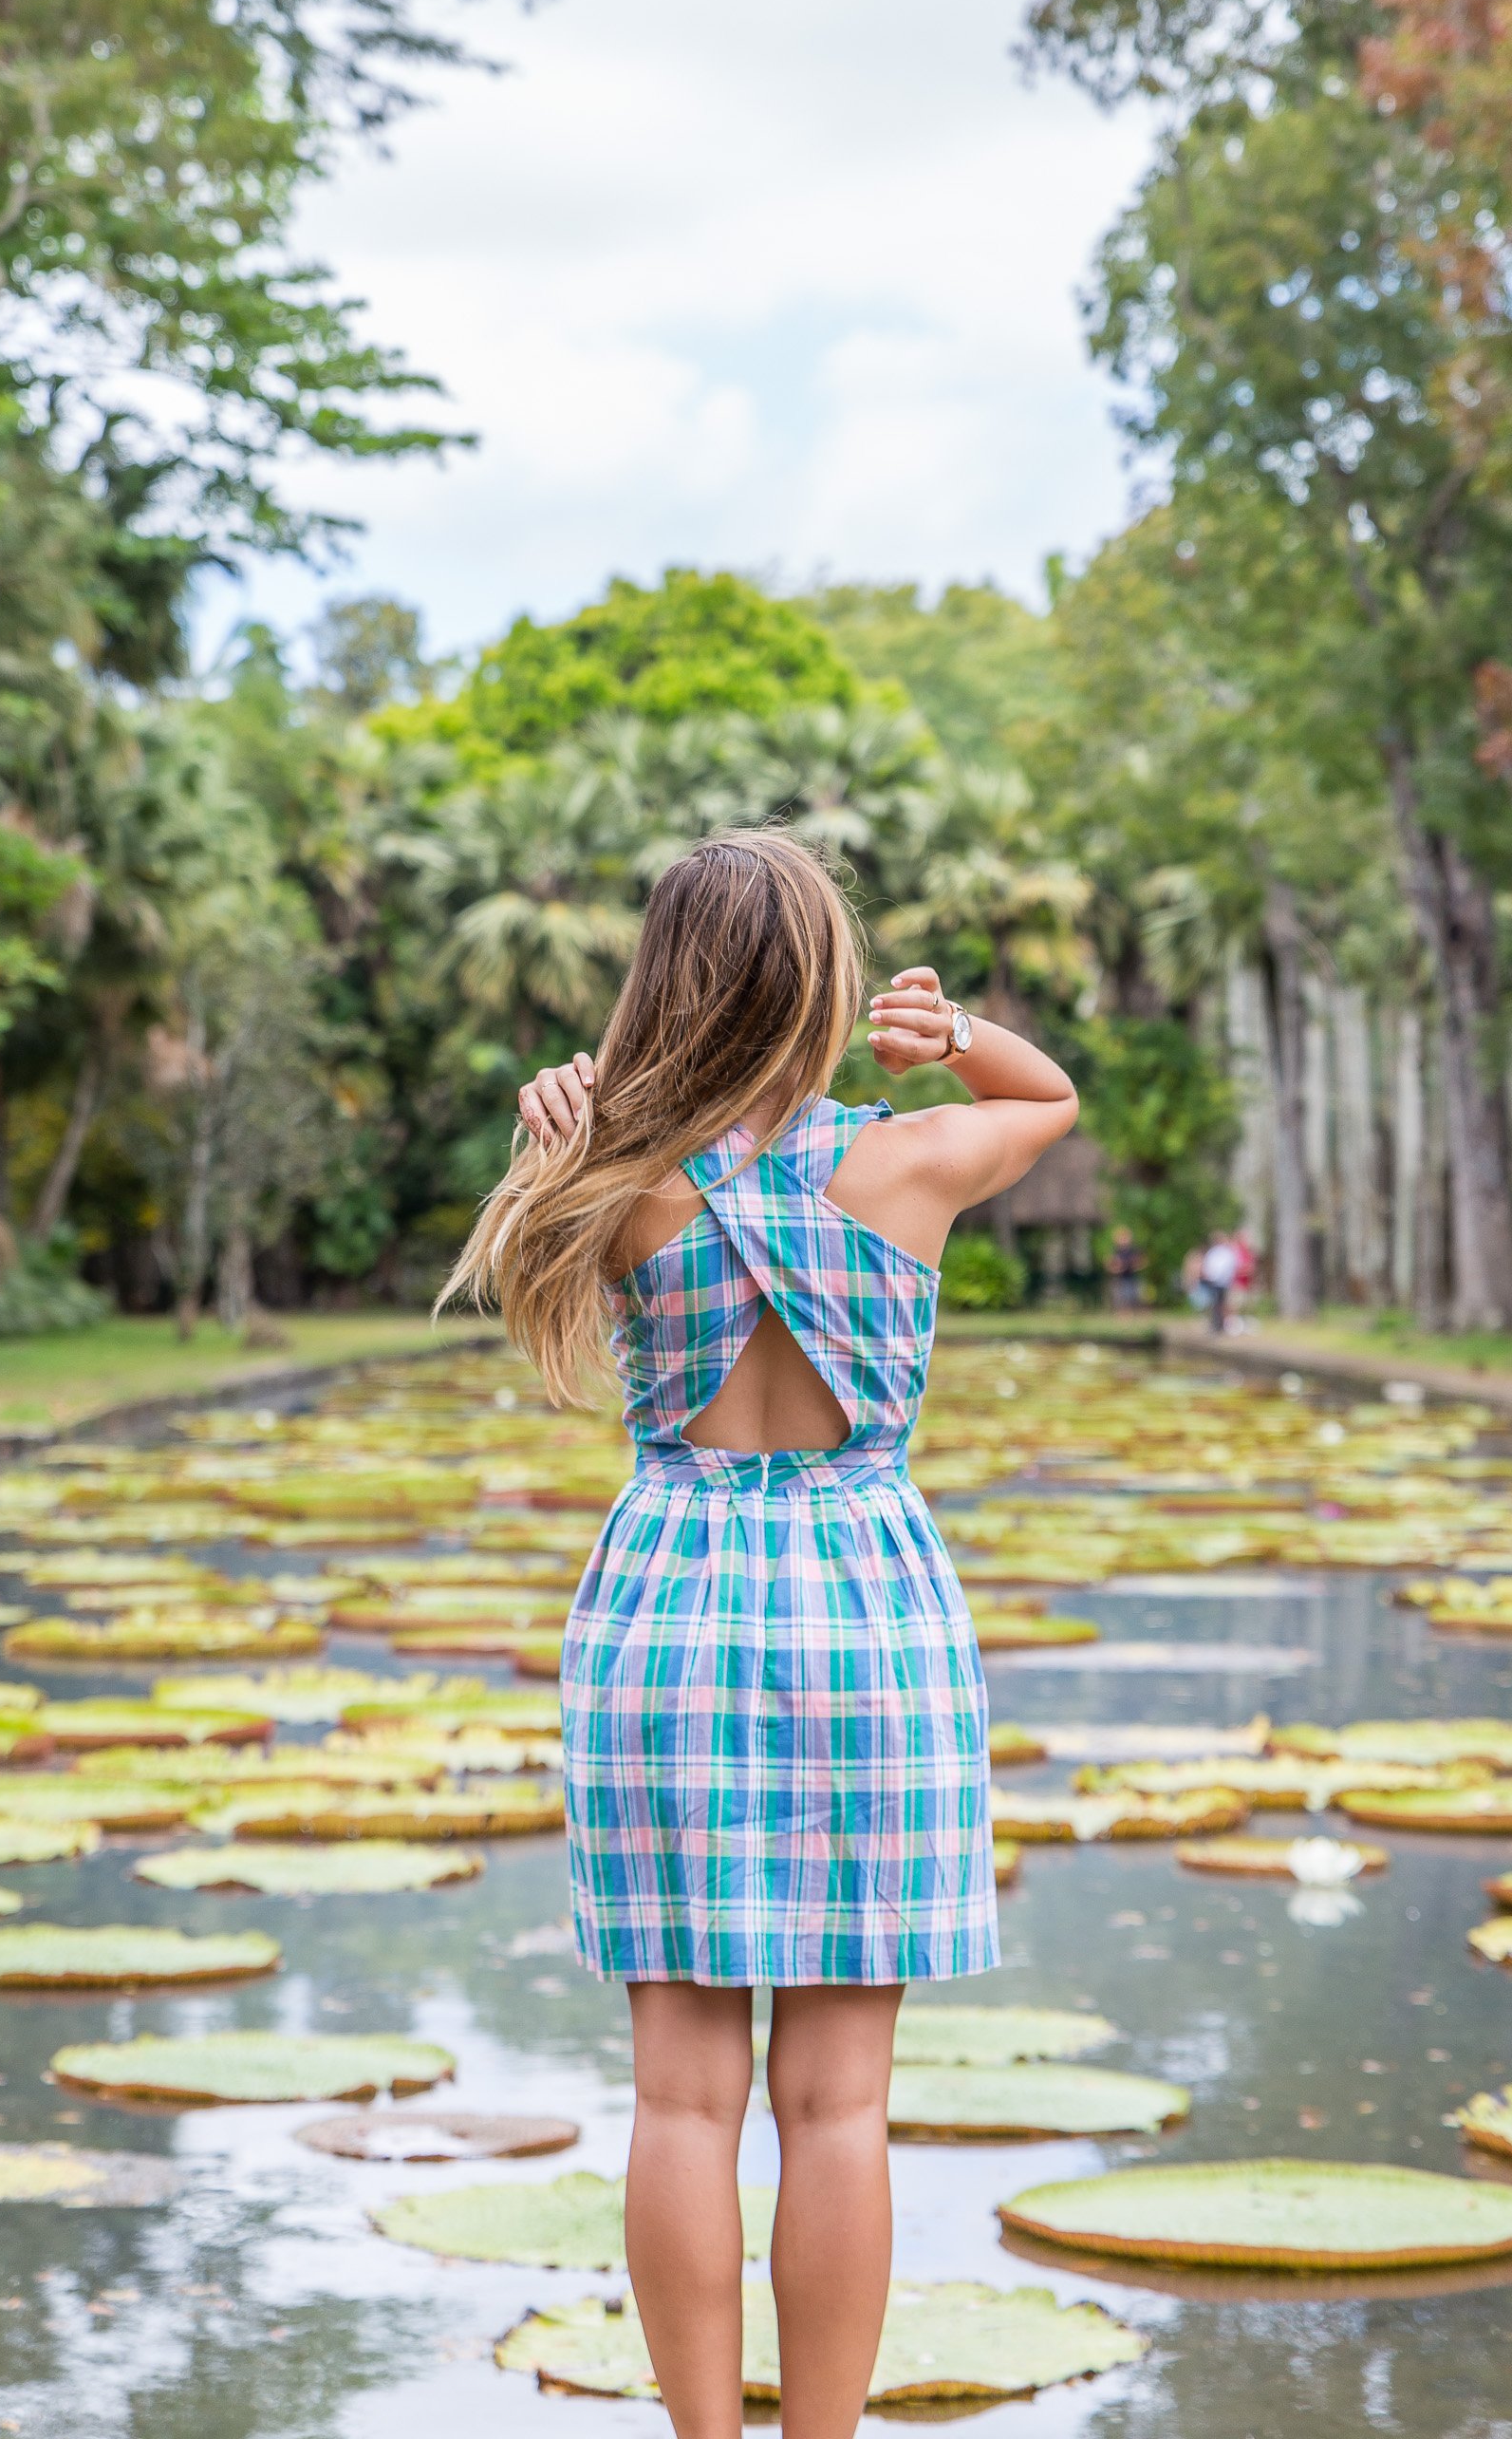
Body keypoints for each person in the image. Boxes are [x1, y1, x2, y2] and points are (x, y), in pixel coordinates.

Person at [445, 830, 1077, 2439]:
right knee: (841, 2105)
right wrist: (958, 1040)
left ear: (662, 980)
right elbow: (1050, 1101)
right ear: (834, 983)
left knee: (680, 2093)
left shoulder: (613, 1181)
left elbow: (527, 1265)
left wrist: (561, 1126)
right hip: (867, 1604)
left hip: (671, 1603)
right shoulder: (909, 1161)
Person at [1199, 1229, 1240, 1336]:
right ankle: (1215, 1325)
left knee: (1222, 1304)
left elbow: (1229, 1267)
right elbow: (1208, 1266)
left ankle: (1221, 1325)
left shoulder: (1225, 1252)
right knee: (1215, 1304)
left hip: (1223, 1282)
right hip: (1214, 1282)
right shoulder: (1214, 1252)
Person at [1106, 1226, 1144, 1310]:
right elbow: (1109, 1264)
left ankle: (1133, 1311)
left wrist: (1136, 1266)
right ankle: (1124, 1313)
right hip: (1120, 1278)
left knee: (1134, 1295)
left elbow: (1140, 1261)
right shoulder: (1115, 1251)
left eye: (1125, 1238)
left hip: (1132, 1276)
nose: (1123, 1240)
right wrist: (1115, 1269)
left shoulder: (1134, 1250)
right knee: (1121, 1296)